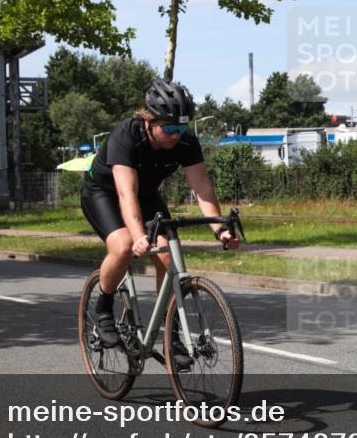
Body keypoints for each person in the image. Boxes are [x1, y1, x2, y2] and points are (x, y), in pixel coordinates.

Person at [80, 78, 240, 357]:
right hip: (103, 193)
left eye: (181, 127)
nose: (177, 134)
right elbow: (125, 193)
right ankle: (103, 307)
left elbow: (202, 187)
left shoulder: (186, 141)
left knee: (168, 258)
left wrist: (219, 229)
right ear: (149, 121)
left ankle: (171, 335)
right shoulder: (126, 136)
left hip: (146, 194)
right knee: (123, 246)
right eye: (169, 128)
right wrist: (139, 235)